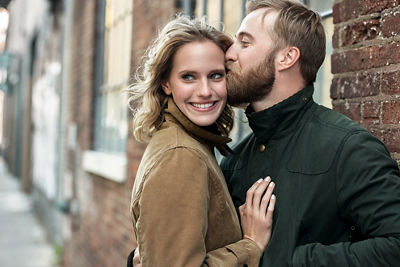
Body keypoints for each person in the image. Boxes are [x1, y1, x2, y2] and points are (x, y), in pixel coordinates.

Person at [221, 0, 400, 266]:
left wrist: (287, 261)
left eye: (245, 43)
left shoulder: (348, 148)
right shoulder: (234, 160)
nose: (229, 54)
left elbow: (395, 245)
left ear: (287, 58)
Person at [127, 15, 276, 267]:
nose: (205, 90)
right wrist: (251, 245)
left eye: (216, 76)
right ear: (166, 83)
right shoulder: (180, 155)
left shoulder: (191, 140)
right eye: (188, 77)